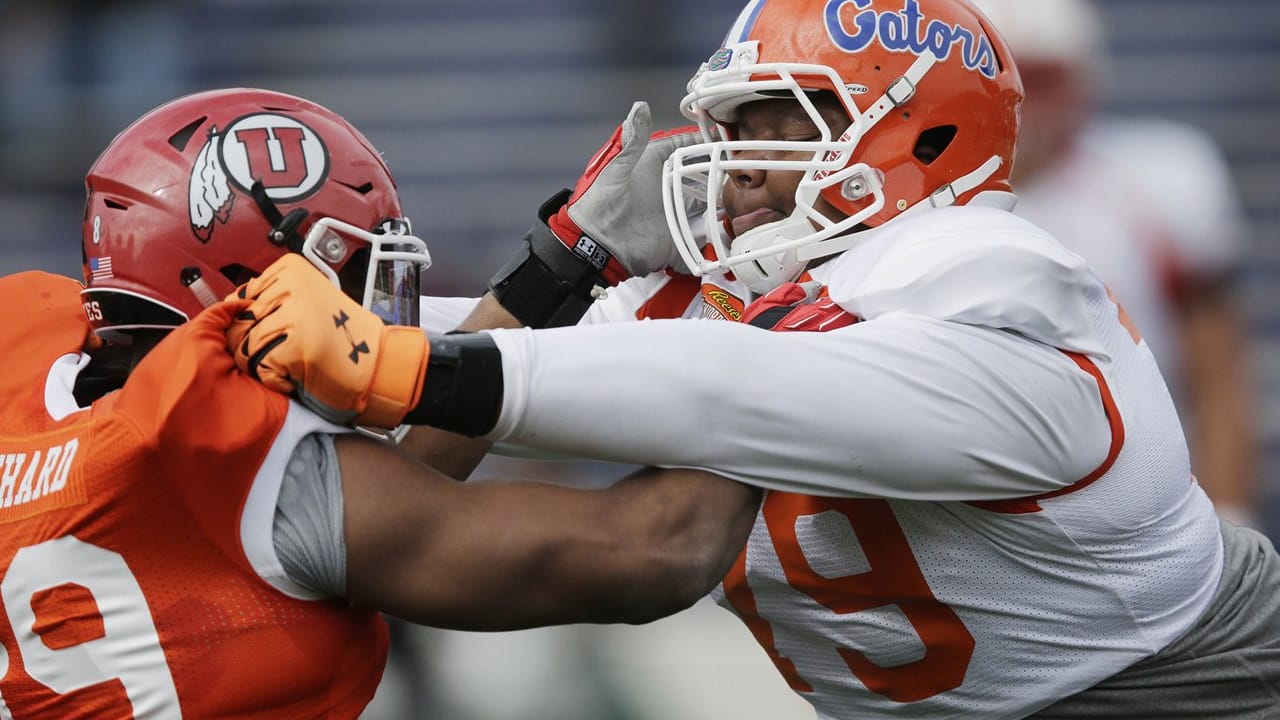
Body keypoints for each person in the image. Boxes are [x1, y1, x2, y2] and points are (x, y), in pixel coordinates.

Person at [224, 1, 1280, 717]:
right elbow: (465, 405)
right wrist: (552, 267)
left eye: (780, 127)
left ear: (916, 141)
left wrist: (400, 358)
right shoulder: (748, 303)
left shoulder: (994, 279)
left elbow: (739, 388)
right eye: (732, 130)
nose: (734, 173)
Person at [0, 87, 760, 717]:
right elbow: (660, 549)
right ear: (233, 281)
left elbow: (374, 490)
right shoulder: (235, 457)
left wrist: (565, 260)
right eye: (355, 274)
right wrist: (765, 329)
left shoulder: (32, 382)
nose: (372, 315)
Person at [969, 0, 1259, 527]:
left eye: (1043, 80)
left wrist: (1231, 513)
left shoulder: (1159, 179)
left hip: (1159, 500)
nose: (1024, 101)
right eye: (1007, 79)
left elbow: (1219, 372)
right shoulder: (922, 208)